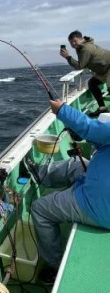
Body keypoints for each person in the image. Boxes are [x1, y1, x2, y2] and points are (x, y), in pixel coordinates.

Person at [23, 99, 110, 285]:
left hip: (98, 204)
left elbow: (90, 128)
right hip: (102, 185)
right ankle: (40, 174)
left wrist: (62, 110)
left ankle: (54, 266)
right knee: (76, 164)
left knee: (40, 209)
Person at [60, 30, 110, 117]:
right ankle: (103, 109)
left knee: (98, 85)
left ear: (81, 38)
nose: (73, 44)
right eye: (71, 42)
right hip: (103, 70)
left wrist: (68, 57)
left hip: (107, 69)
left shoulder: (85, 48)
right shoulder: (82, 46)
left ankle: (103, 109)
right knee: (92, 83)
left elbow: (80, 65)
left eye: (75, 41)